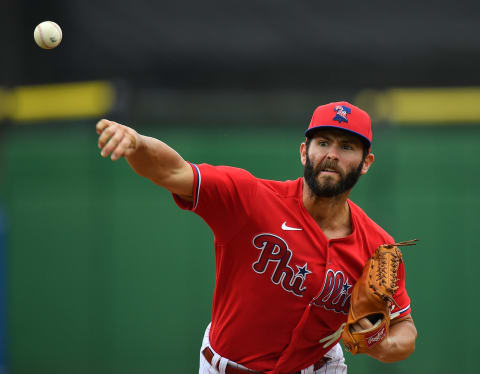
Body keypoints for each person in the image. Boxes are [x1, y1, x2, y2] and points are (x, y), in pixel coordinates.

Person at [95, 101, 417, 374]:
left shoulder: (376, 246)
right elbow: (172, 171)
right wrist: (137, 143)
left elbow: (406, 329)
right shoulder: (250, 200)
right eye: (323, 143)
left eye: (346, 146)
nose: (332, 154)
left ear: (365, 163)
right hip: (229, 366)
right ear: (305, 152)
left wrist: (382, 344)